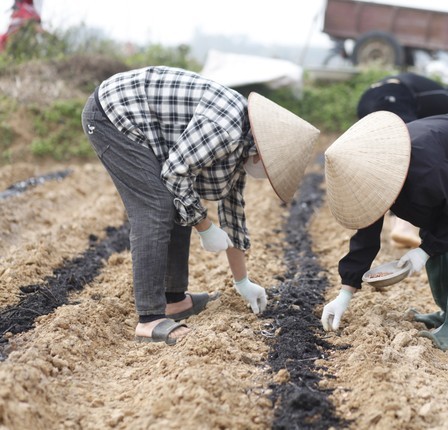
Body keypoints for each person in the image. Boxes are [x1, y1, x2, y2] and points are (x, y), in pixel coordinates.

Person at [81, 66, 319, 345]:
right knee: (155, 206)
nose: (267, 176)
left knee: (180, 201)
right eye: (271, 170)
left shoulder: (244, 143)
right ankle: (149, 320)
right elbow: (175, 174)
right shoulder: (226, 130)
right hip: (114, 114)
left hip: (147, 123)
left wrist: (242, 281)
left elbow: (233, 215)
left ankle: (174, 300)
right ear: (263, 155)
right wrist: (205, 227)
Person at [320, 111, 448, 351]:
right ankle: (446, 313)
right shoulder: (373, 179)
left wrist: (424, 252)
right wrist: (345, 293)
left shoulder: (425, 169)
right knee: (435, 228)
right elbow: (366, 234)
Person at [356, 72, 448, 249]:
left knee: (384, 163)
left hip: (365, 102)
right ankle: (402, 227)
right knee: (407, 157)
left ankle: (390, 226)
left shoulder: (433, 101)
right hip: (393, 97)